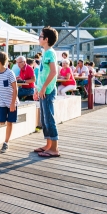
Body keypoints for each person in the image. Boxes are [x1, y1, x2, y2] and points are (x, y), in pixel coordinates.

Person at [33, 26, 60, 158]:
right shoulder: (46, 52)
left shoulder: (50, 53)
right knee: (44, 119)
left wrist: (43, 88)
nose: (39, 38)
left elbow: (54, 72)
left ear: (46, 39)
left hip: (48, 90)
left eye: (40, 36)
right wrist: (38, 89)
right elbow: (43, 73)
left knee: (49, 119)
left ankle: (54, 148)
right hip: (43, 90)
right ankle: (48, 145)